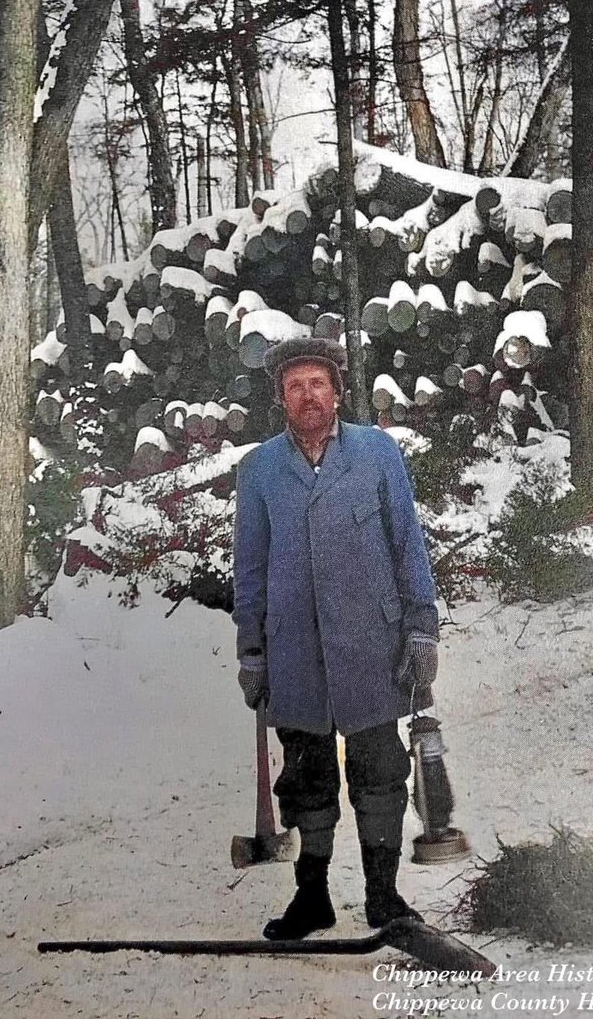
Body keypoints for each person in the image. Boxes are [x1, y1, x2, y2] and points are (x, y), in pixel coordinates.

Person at [232, 336, 439, 940]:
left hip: (373, 645)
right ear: (281, 399)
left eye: (317, 383)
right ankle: (312, 896)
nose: (308, 396)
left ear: (338, 391)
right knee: (307, 778)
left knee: (379, 773)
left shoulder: (377, 454)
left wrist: (421, 626)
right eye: (295, 386)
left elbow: (408, 542)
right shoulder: (260, 469)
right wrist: (252, 649)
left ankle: (383, 896)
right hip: (294, 650)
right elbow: (250, 566)